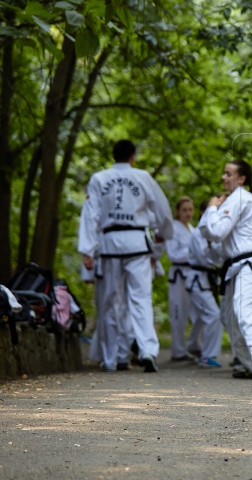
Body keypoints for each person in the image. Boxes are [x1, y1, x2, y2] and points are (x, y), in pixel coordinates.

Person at [78, 140, 173, 373]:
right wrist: (162, 233)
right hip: (137, 244)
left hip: (110, 245)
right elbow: (162, 209)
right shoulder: (142, 177)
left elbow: (91, 215)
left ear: (114, 156)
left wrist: (88, 250)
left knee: (111, 301)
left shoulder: (99, 179)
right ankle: (147, 350)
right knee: (140, 299)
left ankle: (112, 358)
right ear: (133, 157)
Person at [198, 159, 252, 379]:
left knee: (243, 311)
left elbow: (217, 231)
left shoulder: (240, 197)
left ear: (241, 179)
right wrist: (214, 210)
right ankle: (244, 361)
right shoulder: (233, 200)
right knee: (229, 316)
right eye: (224, 173)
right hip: (234, 265)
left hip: (248, 263)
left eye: (228, 174)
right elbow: (207, 230)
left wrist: (212, 208)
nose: (224, 177)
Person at [186, 198, 226, 368]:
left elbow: (217, 260)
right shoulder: (197, 234)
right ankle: (206, 355)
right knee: (214, 315)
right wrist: (211, 247)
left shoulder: (212, 236)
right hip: (198, 279)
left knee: (204, 317)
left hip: (205, 280)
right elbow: (205, 259)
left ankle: (194, 345)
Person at [165, 197, 200, 362]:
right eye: (184, 210)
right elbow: (172, 254)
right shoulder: (173, 228)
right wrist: (192, 251)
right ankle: (178, 351)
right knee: (178, 314)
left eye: (190, 210)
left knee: (199, 313)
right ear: (178, 211)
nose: (188, 213)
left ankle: (194, 345)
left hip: (193, 274)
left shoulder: (192, 230)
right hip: (179, 275)